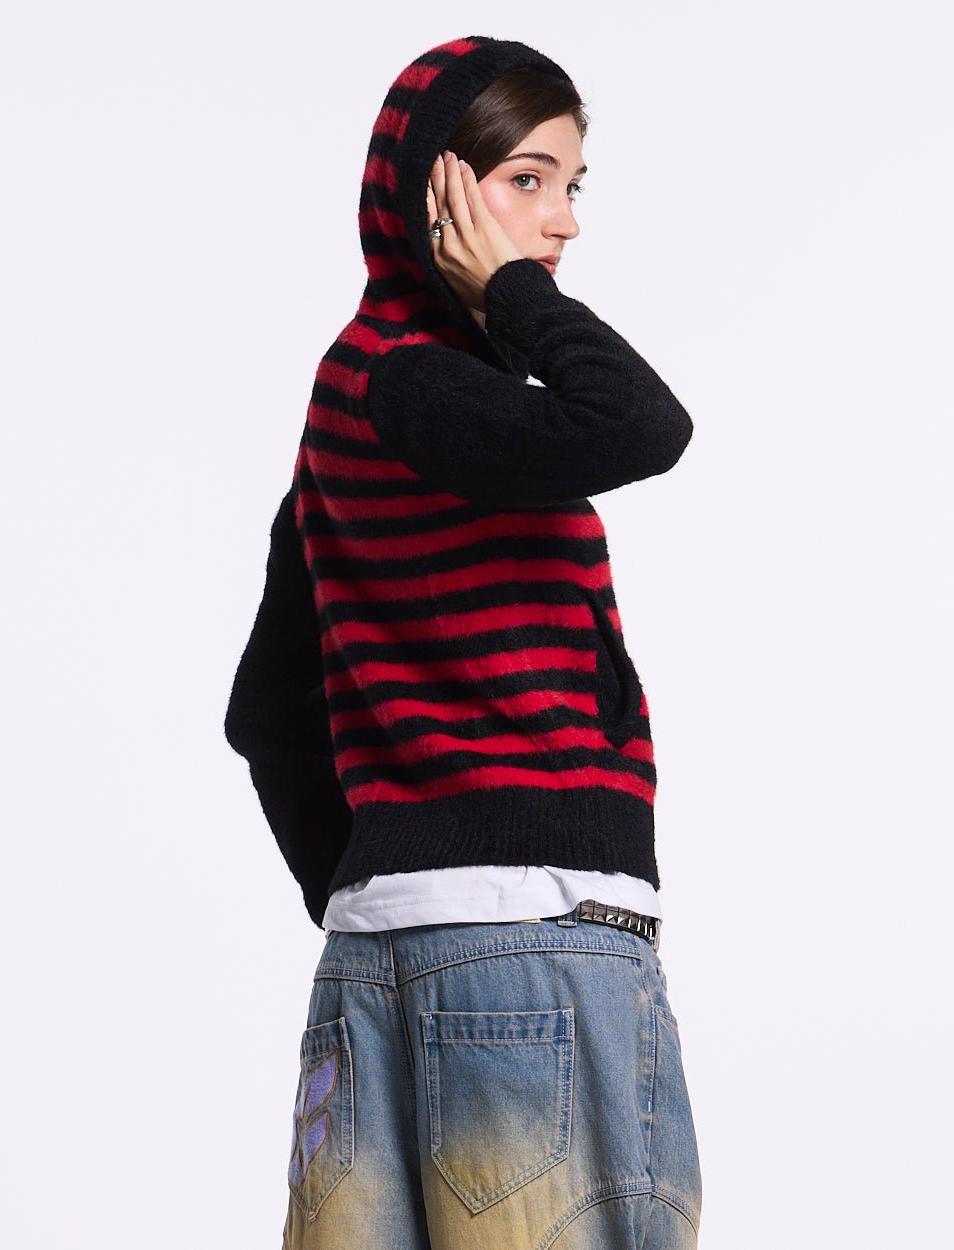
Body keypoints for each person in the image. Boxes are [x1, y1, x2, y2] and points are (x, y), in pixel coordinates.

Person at [225, 34, 703, 1250]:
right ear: (432, 192)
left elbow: (265, 710)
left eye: (572, 185)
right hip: (533, 943)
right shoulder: (421, 383)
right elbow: (641, 423)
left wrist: (391, 885)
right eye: (525, 179)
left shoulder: (356, 398)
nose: (561, 221)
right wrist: (513, 296)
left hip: (378, 956)